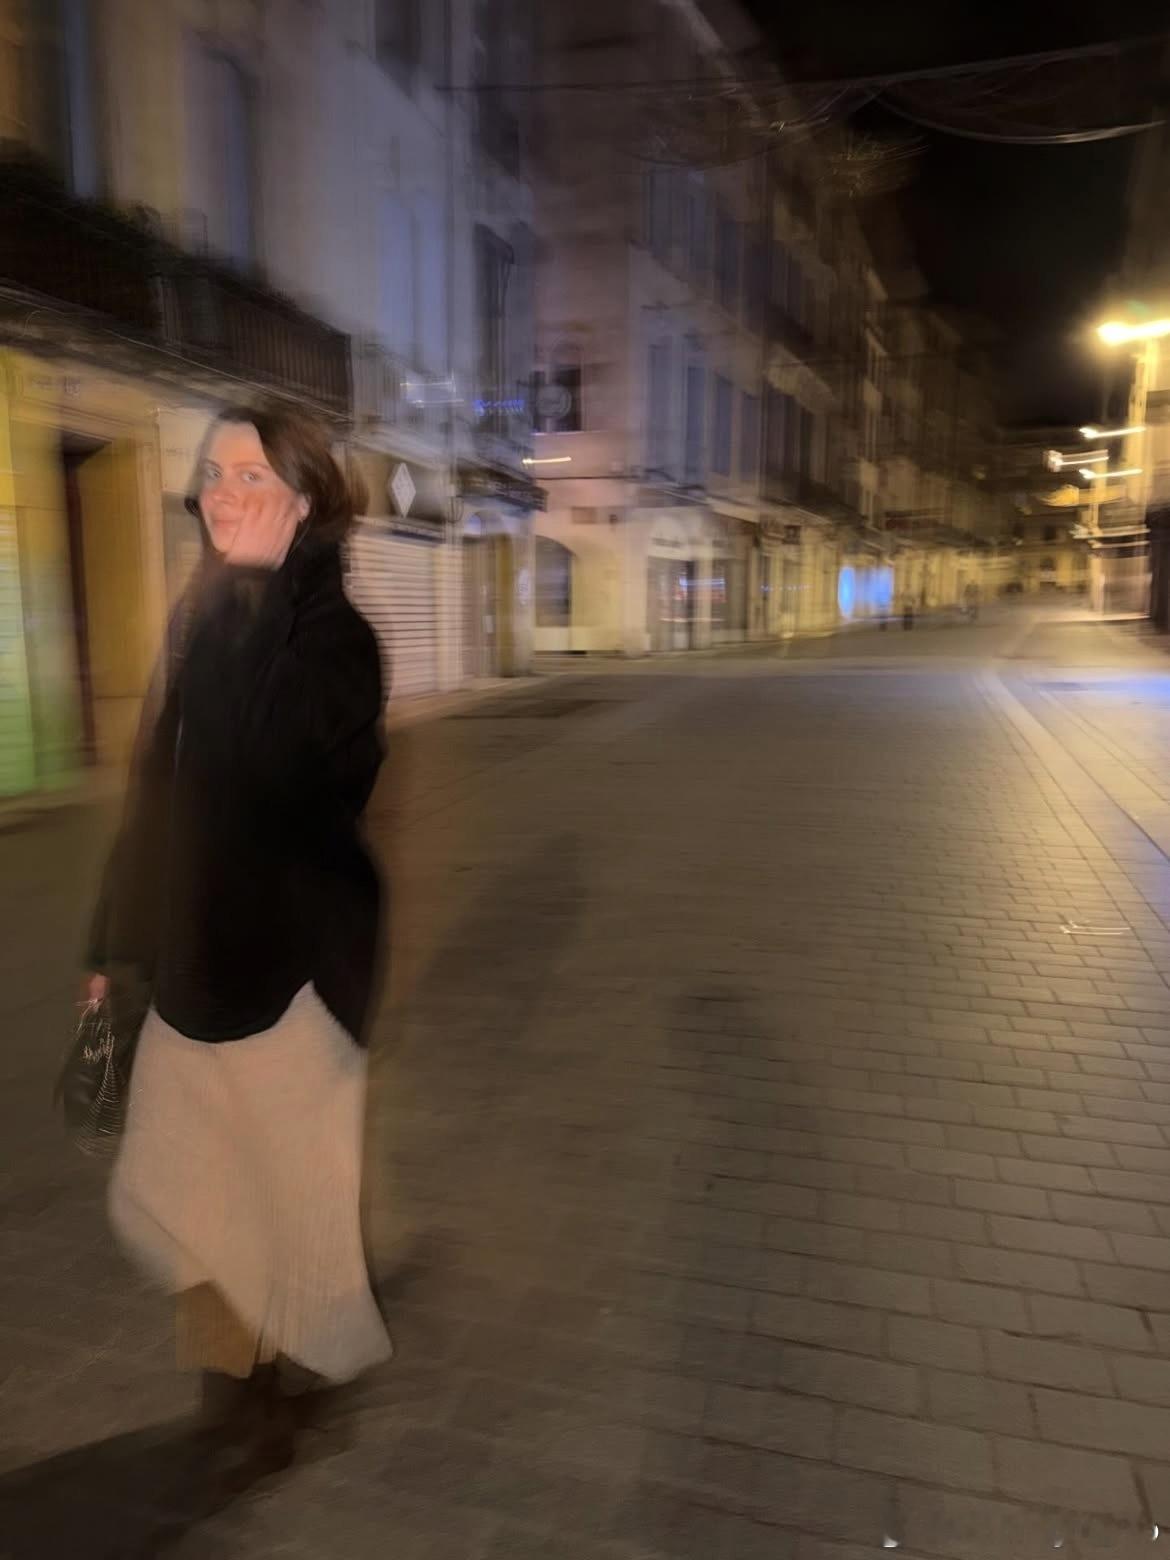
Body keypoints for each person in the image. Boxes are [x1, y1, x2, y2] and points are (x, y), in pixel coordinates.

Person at [84, 402, 391, 1490]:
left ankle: (267, 1399)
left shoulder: (338, 643)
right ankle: (233, 1388)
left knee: (275, 1202)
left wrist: (249, 600)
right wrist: (111, 944)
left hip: (292, 976)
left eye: (251, 475)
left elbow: (260, 769)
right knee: (180, 1191)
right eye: (213, 473)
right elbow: (160, 795)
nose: (223, 493)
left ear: (304, 503)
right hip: (190, 968)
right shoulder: (205, 616)